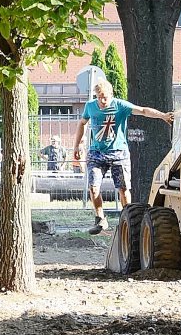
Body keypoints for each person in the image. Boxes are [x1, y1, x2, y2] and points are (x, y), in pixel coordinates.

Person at [71, 78, 173, 234]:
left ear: (111, 94)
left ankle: (129, 219)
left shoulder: (120, 106)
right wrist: (77, 144)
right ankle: (100, 218)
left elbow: (143, 110)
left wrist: (163, 116)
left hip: (118, 152)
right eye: (98, 97)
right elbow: (82, 123)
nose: (102, 101)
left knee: (123, 189)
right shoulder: (90, 106)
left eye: (105, 97)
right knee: (93, 186)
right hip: (96, 153)